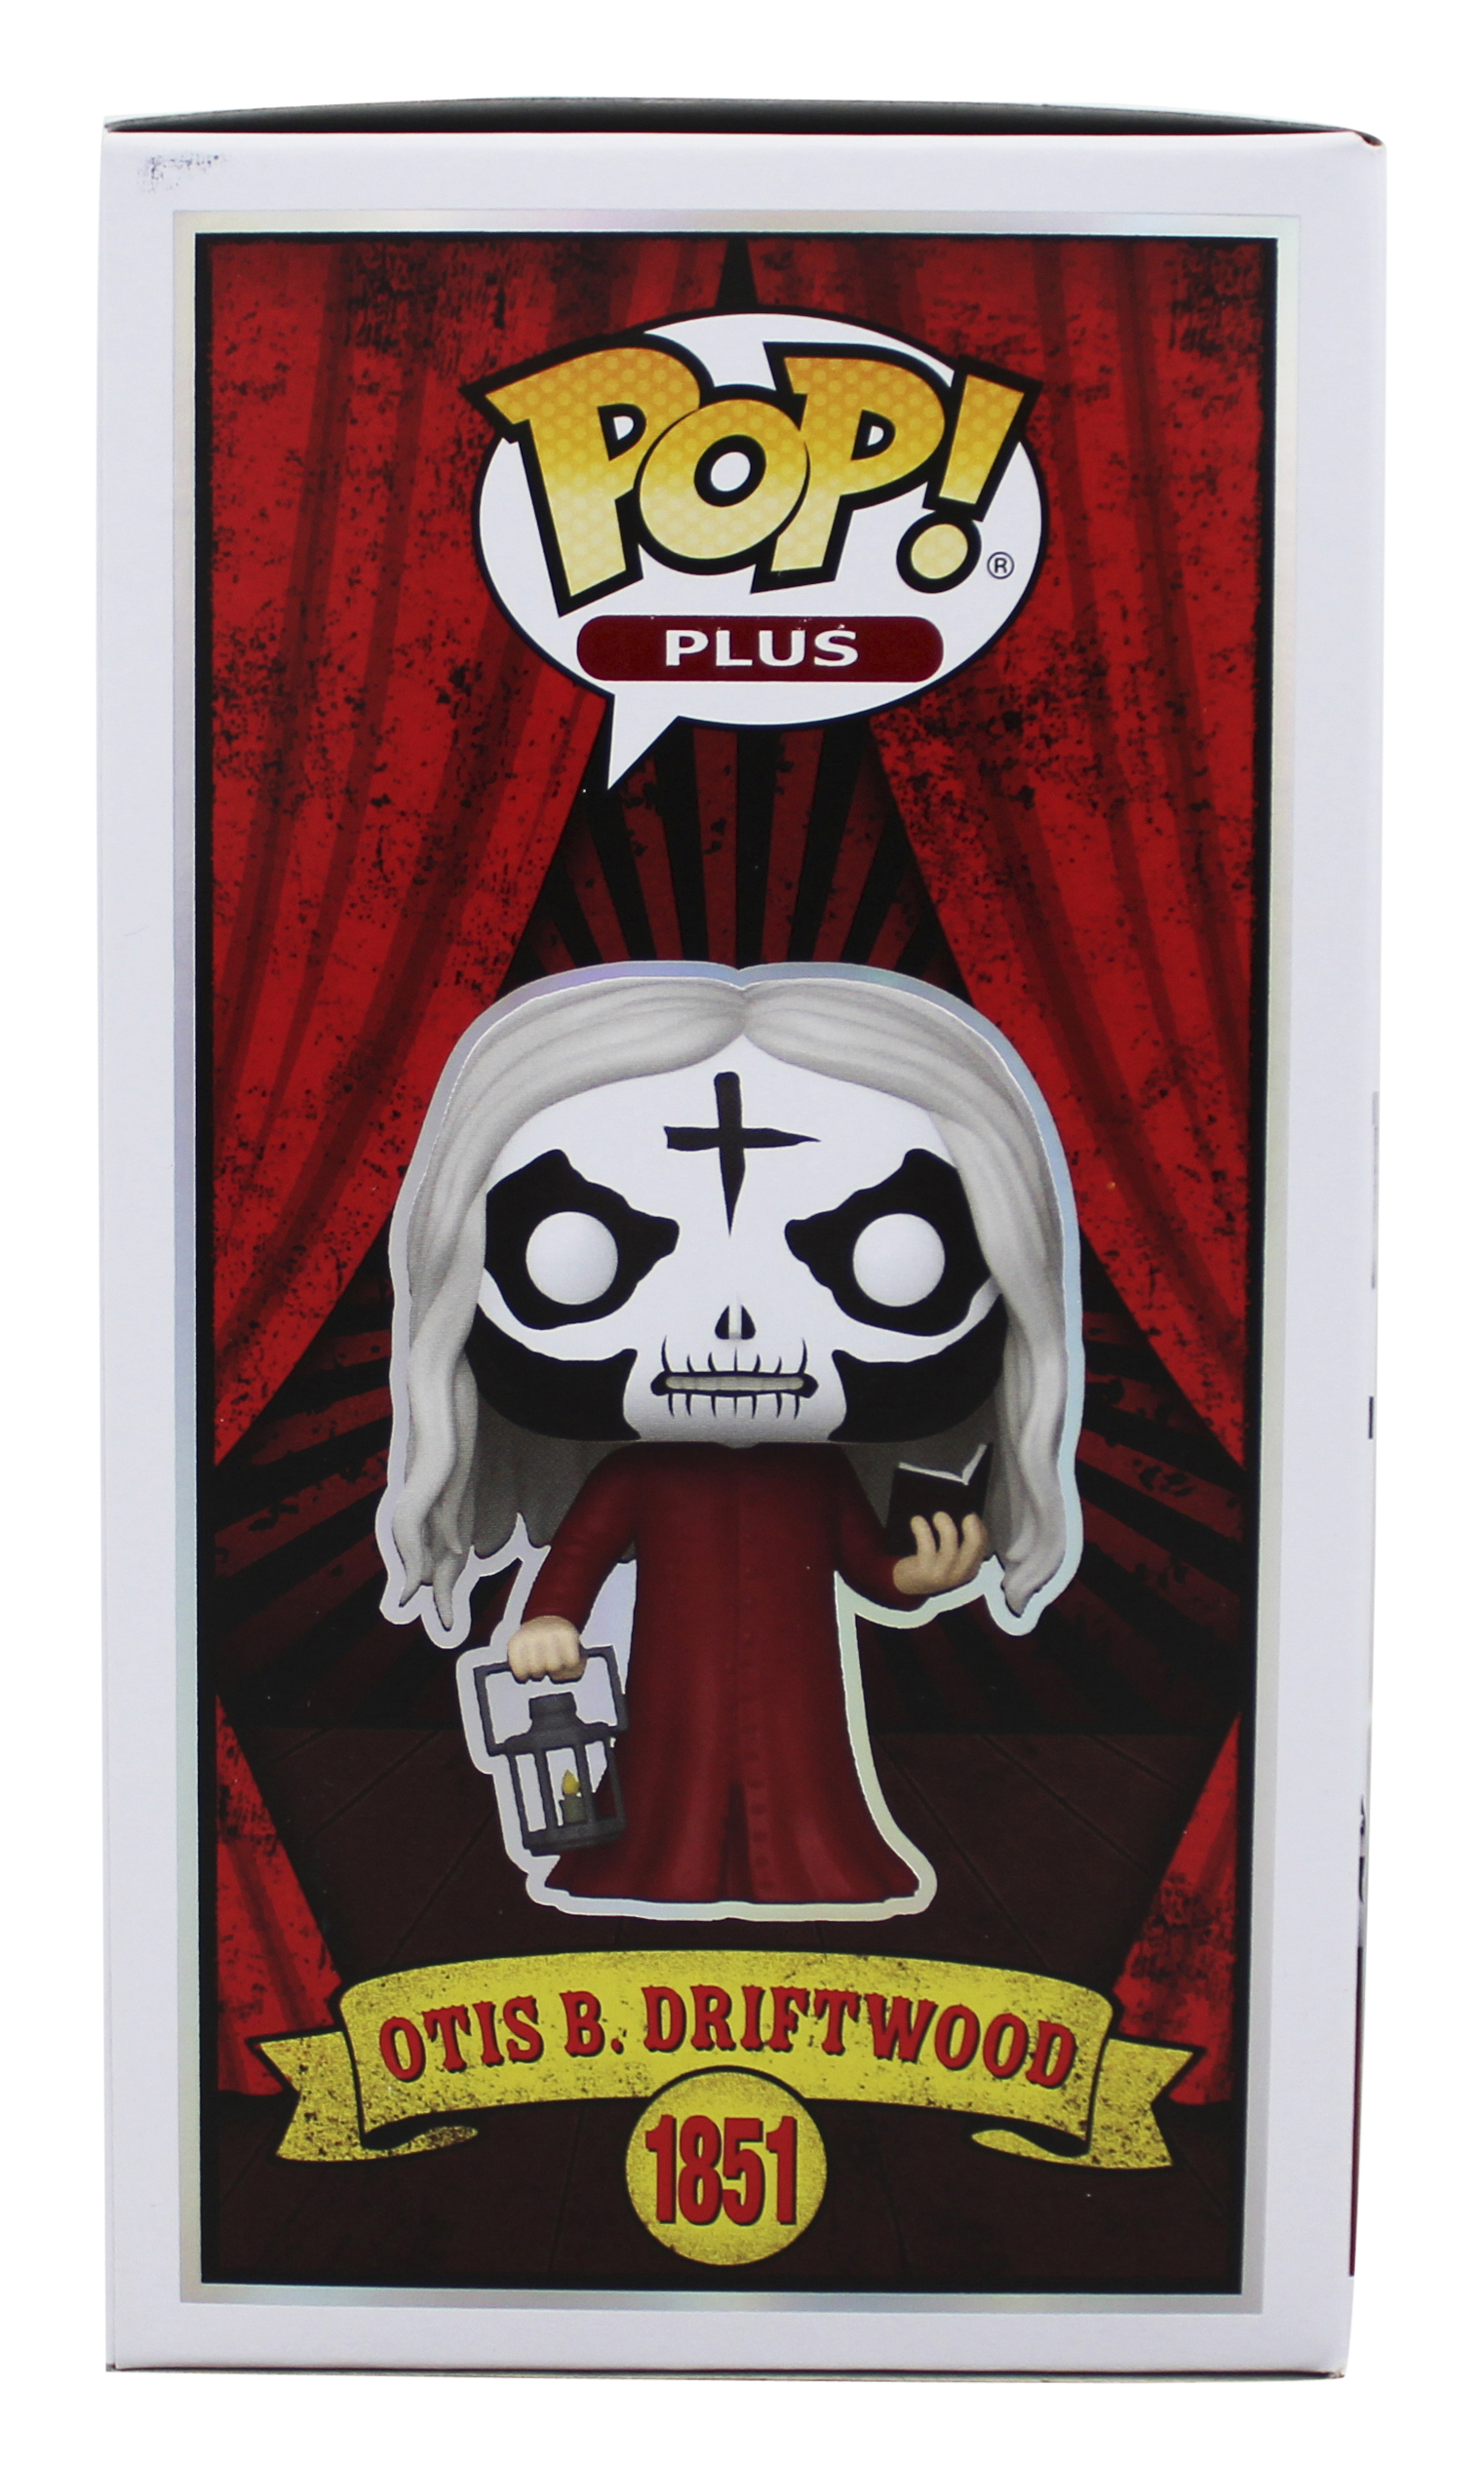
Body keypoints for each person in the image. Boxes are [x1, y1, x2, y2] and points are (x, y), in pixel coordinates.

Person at [380, 961, 1081, 1915]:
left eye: (896, 1261)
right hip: (674, 1684)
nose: (735, 1328)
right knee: (668, 1764)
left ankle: (806, 1865)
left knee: (800, 1766)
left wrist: (913, 1577)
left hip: (798, 1685)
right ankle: (656, 1864)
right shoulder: (641, 1474)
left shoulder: (813, 1476)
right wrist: (549, 1620)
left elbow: (864, 1565)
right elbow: (580, 1553)